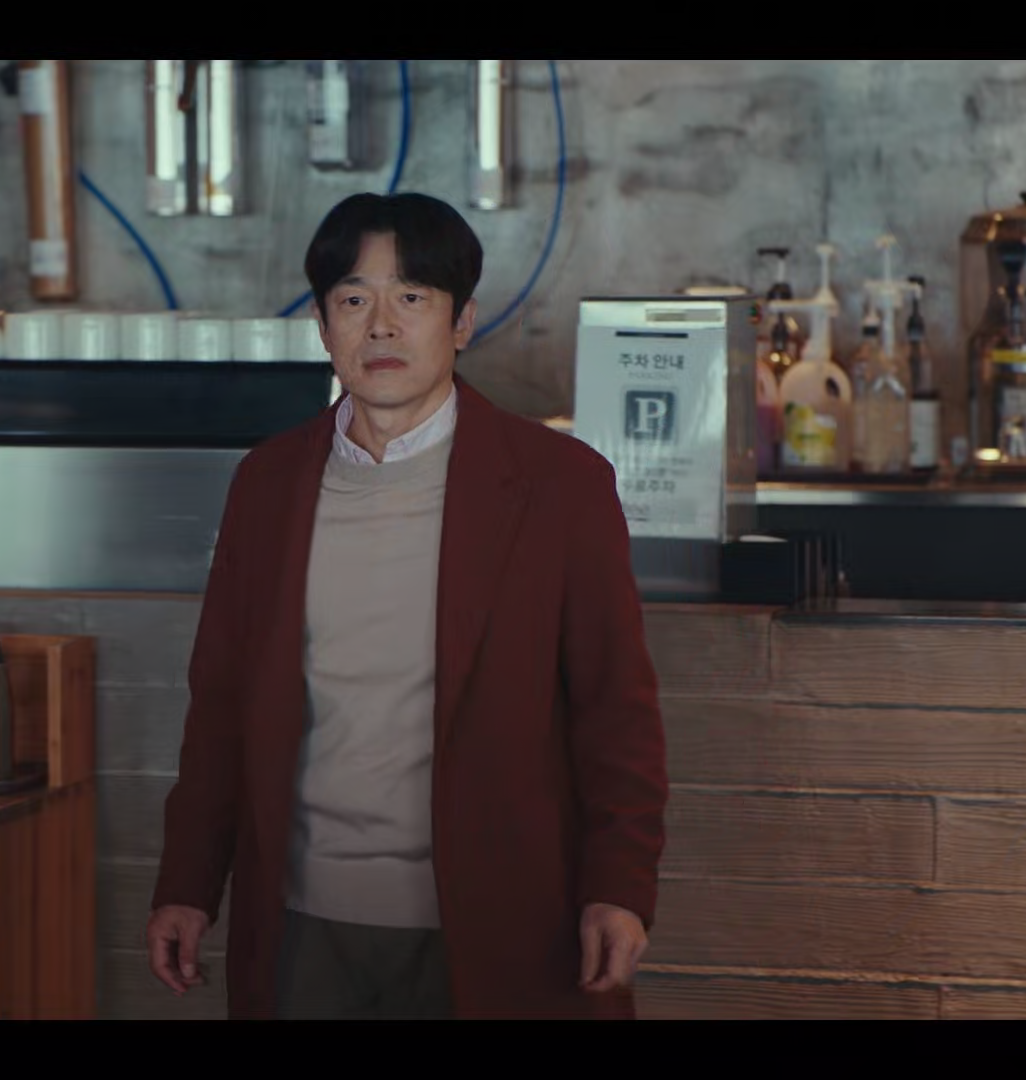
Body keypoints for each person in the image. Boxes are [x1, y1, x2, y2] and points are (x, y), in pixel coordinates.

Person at [143, 191, 668, 1020]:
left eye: (412, 298)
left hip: (498, 920)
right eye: (354, 300)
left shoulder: (559, 485)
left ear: (462, 323)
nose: (381, 326)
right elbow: (221, 706)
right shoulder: (268, 485)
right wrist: (187, 884)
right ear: (323, 327)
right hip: (303, 924)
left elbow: (616, 710)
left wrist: (620, 885)